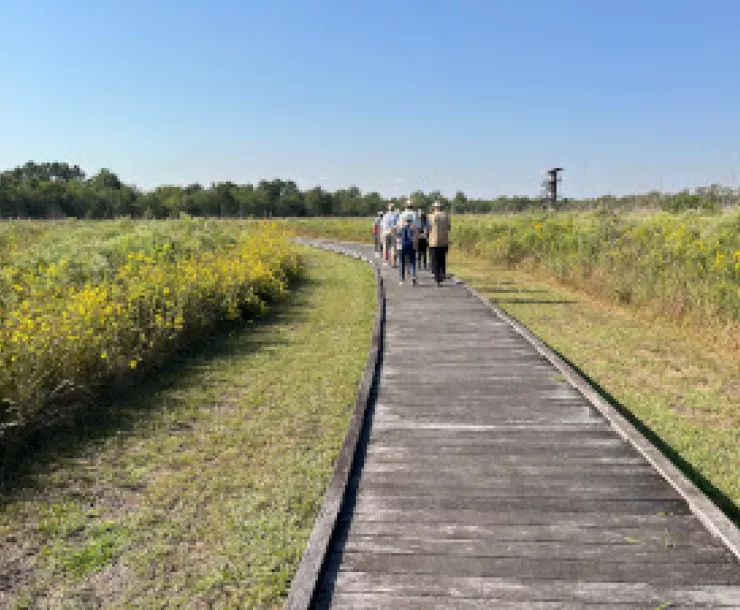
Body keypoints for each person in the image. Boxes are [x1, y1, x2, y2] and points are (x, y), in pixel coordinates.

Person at [428, 200, 451, 286]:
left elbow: (428, 228)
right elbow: (449, 227)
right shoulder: (446, 216)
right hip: (444, 241)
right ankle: (442, 274)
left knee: (435, 260)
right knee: (442, 259)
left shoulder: (430, 216)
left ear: (434, 208)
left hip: (433, 241)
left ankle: (437, 278)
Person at [398, 215, 417, 285]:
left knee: (402, 262)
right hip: (410, 244)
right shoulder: (413, 228)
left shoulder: (401, 228)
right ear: (410, 221)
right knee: (412, 262)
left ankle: (402, 279)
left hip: (402, 245)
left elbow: (397, 236)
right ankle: (413, 276)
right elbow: (415, 237)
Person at [382, 202, 399, 266]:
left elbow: (383, 225)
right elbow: (397, 225)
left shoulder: (385, 215)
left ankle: (386, 261)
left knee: (386, 247)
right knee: (393, 248)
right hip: (393, 233)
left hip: (386, 232)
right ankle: (393, 262)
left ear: (388, 208)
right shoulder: (396, 215)